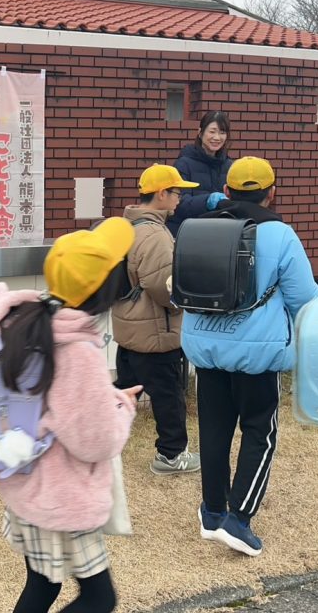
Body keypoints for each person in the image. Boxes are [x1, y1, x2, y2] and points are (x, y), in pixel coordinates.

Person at [0, 218, 140, 613]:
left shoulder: (28, 323)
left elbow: (53, 399)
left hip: (30, 484)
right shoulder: (77, 350)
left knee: (42, 587)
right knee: (99, 598)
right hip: (63, 496)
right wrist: (123, 407)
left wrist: (105, 396)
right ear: (106, 289)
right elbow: (96, 442)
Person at [181, 156, 318, 557]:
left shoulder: (198, 229)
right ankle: (239, 520)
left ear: (226, 191)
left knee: (214, 429)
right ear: (271, 192)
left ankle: (211, 512)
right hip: (258, 354)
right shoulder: (280, 234)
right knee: (260, 431)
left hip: (205, 349)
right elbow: (303, 299)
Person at [112, 164, 201, 475]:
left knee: (123, 390)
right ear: (161, 194)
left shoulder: (128, 227)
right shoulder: (155, 234)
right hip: (156, 332)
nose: (180, 199)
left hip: (129, 326)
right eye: (177, 193)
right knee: (168, 396)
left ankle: (90, 438)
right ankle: (171, 455)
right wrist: (183, 305)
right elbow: (164, 286)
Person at [168, 111, 233, 236]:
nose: (217, 137)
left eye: (222, 132)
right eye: (212, 131)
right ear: (200, 133)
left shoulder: (229, 166)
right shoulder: (184, 164)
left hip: (219, 234)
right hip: (188, 234)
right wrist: (207, 201)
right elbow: (178, 203)